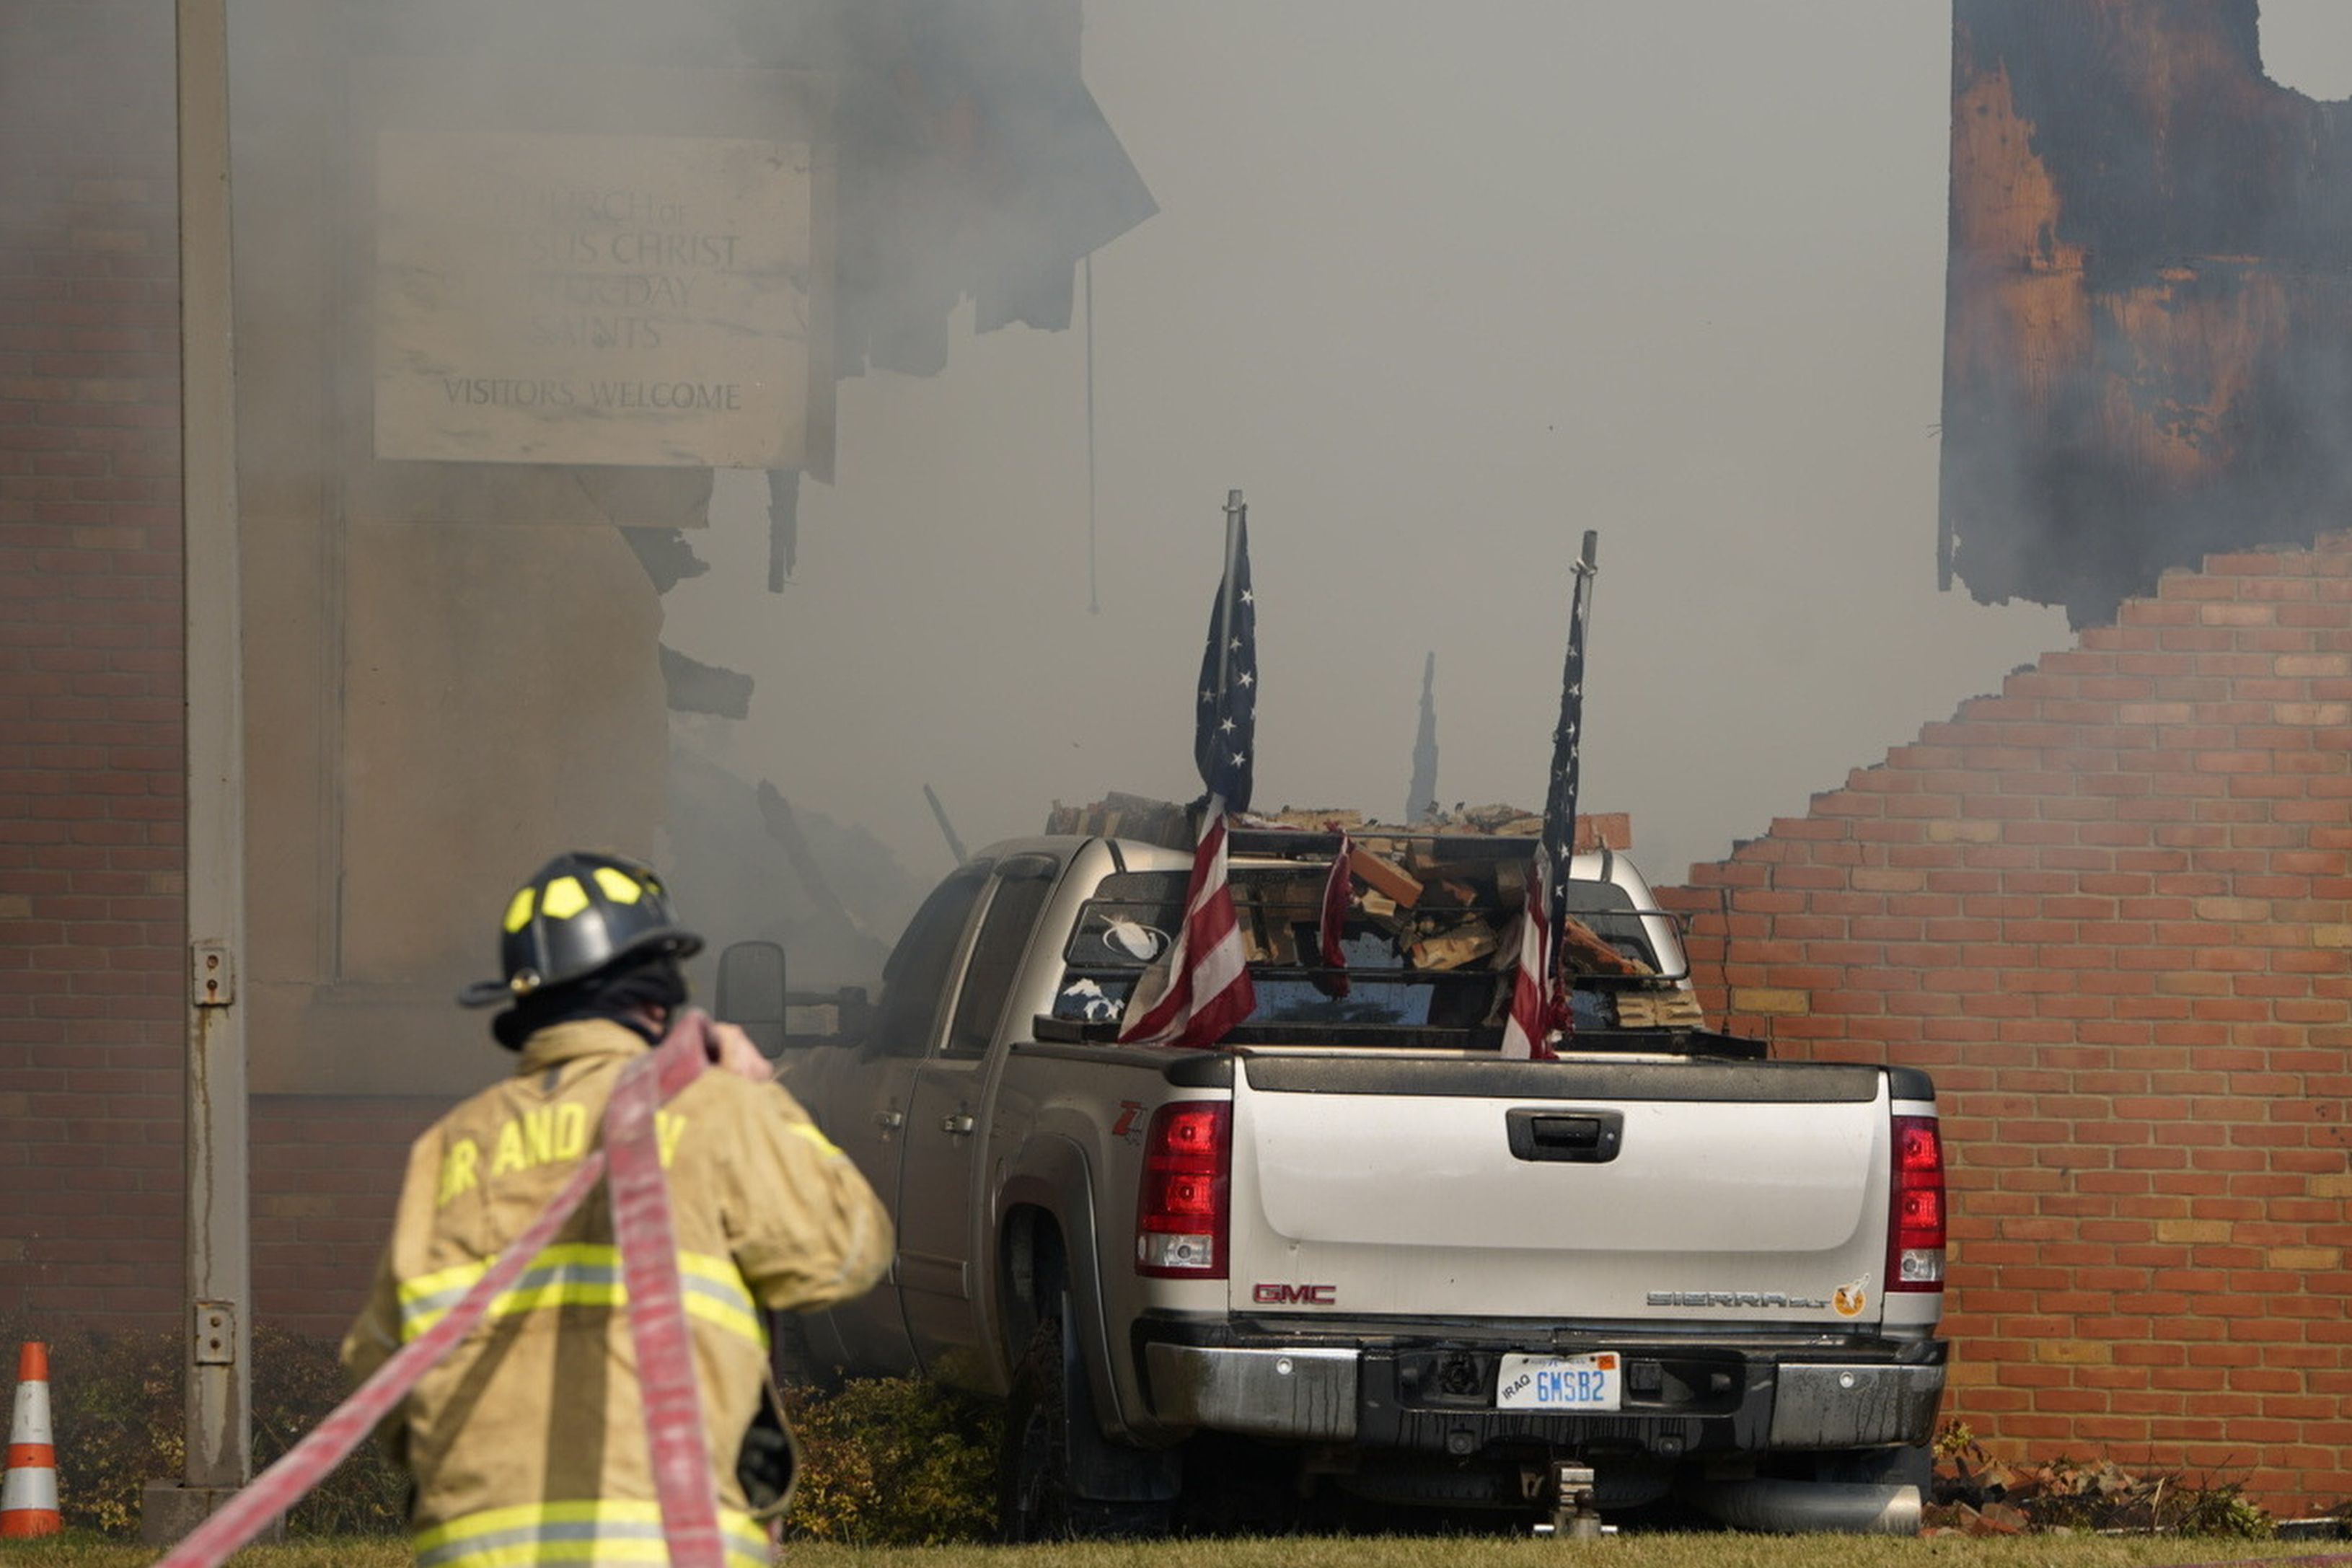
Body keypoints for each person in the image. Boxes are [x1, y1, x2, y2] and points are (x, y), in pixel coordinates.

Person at [341, 850, 891, 1568]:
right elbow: (845, 1253)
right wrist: (762, 1094)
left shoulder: (449, 1149)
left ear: (525, 1004)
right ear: (656, 994)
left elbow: (378, 1373)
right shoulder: (711, 1107)